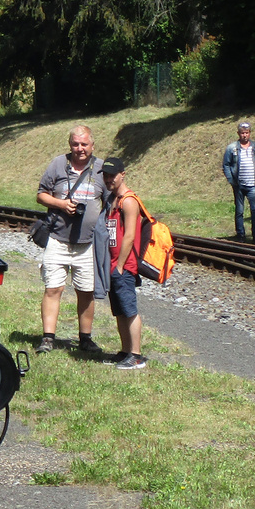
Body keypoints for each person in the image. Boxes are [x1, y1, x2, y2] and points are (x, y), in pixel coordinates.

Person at [35, 125, 106, 354]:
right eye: (75, 144)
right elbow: (41, 195)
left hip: (87, 244)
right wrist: (61, 204)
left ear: (92, 145)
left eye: (84, 144)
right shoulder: (58, 164)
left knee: (86, 291)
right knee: (52, 288)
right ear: (70, 145)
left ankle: (85, 338)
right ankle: (48, 338)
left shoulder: (101, 169)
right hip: (57, 239)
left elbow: (111, 199)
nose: (80, 149)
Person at [101, 157, 146, 369]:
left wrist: (119, 266)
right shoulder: (112, 199)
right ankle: (125, 350)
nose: (109, 179)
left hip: (124, 266)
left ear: (123, 175)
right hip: (112, 264)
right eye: (106, 175)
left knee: (129, 310)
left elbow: (129, 236)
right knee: (118, 310)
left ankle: (136, 355)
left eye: (113, 175)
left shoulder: (128, 201)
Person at [222, 121, 255, 243]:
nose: (244, 135)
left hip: (253, 185)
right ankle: (241, 235)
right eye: (242, 133)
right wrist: (232, 181)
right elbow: (226, 165)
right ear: (238, 133)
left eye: (246, 133)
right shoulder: (232, 148)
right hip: (239, 185)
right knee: (239, 211)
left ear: (250, 133)